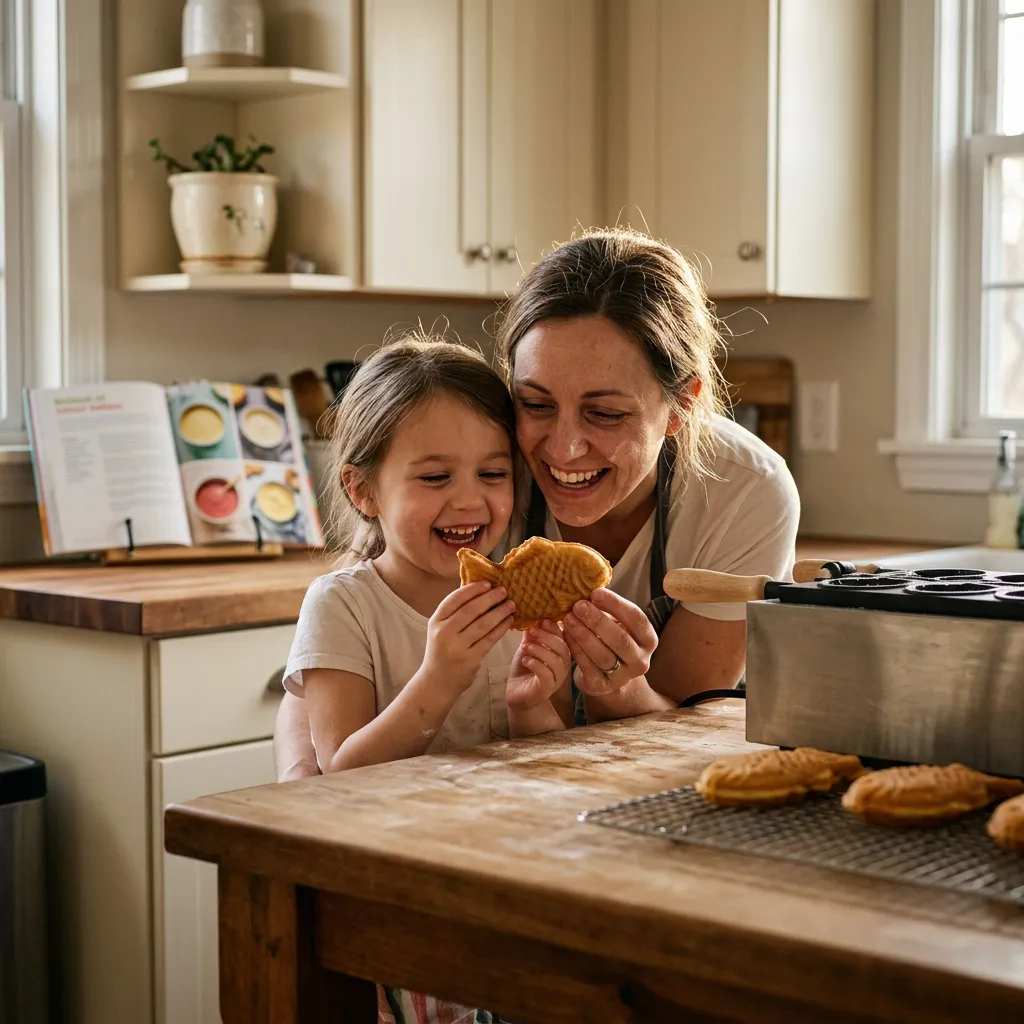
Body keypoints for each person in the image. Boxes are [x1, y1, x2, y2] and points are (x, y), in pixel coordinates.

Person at [275, 227, 800, 779]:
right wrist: (300, 788)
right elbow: (327, 679)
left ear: (680, 406)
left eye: (605, 413)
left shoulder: (743, 492)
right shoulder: (484, 466)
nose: (563, 448)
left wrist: (612, 691)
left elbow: (676, 729)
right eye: (536, 403)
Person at [280, 333, 571, 1023]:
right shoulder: (345, 606)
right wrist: (436, 680)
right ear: (363, 488)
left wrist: (534, 711)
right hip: (395, 903)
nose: (469, 502)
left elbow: (545, 768)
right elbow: (341, 773)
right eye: (435, 478)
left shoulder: (516, 599)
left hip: (505, 888)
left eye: (493, 474)